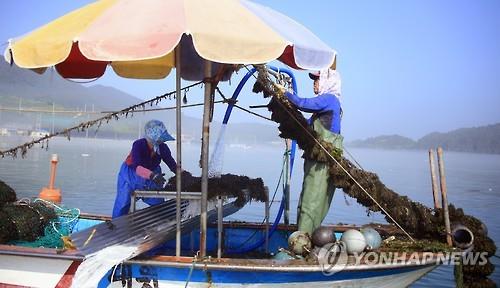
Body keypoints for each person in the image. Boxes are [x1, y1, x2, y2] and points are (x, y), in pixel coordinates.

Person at [282, 68, 343, 235]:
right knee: (307, 200)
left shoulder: (330, 100)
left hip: (322, 164)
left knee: (311, 202)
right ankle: (304, 235)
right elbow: (306, 126)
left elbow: (303, 104)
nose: (314, 83)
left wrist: (285, 94)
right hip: (315, 162)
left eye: (317, 79)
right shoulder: (322, 109)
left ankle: (303, 242)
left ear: (327, 81)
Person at [112, 119, 177, 218]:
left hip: (152, 175)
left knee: (158, 204)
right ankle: (116, 225)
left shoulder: (163, 148)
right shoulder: (138, 145)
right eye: (159, 139)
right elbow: (137, 167)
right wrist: (152, 176)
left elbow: (172, 164)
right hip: (130, 175)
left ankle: (162, 222)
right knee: (123, 203)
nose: (161, 141)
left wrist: (183, 174)